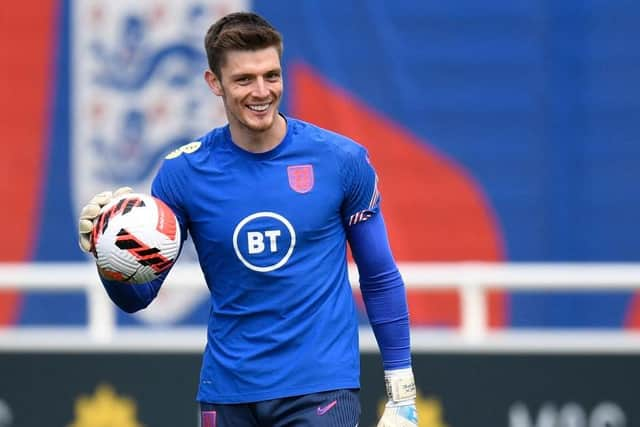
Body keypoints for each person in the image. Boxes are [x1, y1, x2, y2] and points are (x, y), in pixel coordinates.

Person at [78, 11, 417, 427]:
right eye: (243, 80)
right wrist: (110, 255)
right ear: (214, 83)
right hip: (227, 393)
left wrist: (402, 394)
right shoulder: (183, 174)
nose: (262, 92)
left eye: (271, 75)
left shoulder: (342, 161)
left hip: (320, 390)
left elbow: (379, 275)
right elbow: (140, 298)